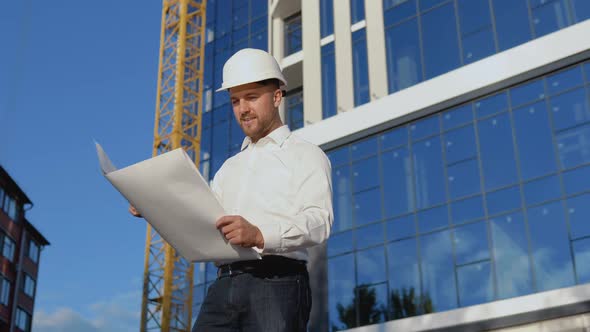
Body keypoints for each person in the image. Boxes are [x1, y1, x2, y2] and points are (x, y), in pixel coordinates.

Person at [131, 48, 333, 331]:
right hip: (224, 285)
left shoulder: (306, 155)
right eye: (235, 101)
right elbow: (203, 222)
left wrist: (260, 234)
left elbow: (319, 222)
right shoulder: (227, 169)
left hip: (277, 283)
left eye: (251, 97)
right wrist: (156, 207)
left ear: (276, 96)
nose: (243, 109)